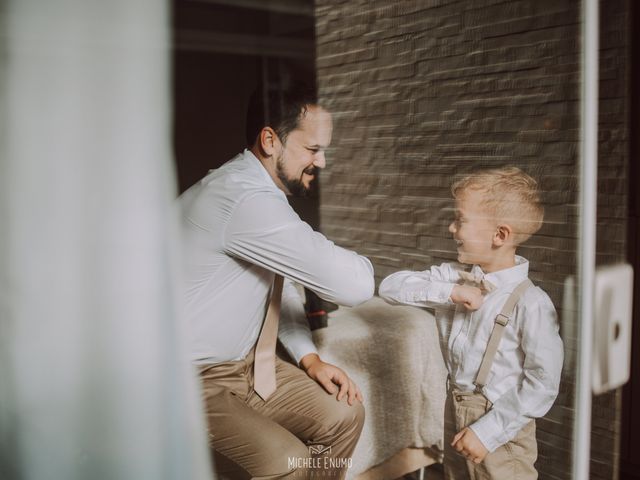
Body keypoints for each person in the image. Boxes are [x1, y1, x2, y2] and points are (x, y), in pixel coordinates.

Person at [178, 81, 374, 479]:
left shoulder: (256, 194)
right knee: (287, 462)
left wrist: (309, 357)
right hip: (184, 378)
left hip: (244, 366)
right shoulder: (243, 199)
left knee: (344, 413)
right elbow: (356, 286)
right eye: (312, 149)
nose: (321, 162)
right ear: (270, 139)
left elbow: (270, 292)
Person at [379, 167, 563, 480]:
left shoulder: (532, 303)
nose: (452, 228)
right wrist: (451, 291)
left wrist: (488, 432)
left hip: (502, 429)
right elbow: (390, 287)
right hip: (455, 410)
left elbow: (543, 383)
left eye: (460, 219)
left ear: (500, 235)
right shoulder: (453, 277)